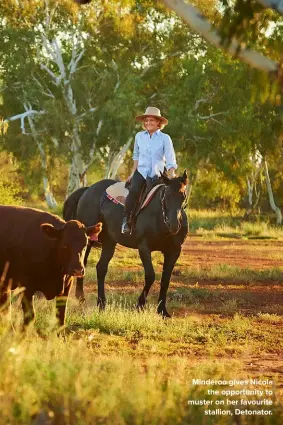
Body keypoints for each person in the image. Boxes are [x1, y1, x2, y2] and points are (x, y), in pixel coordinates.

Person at [121, 106, 177, 235]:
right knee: (134, 192)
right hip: (141, 172)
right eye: (146, 120)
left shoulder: (165, 138)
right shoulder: (139, 136)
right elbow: (136, 156)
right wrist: (132, 173)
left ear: (158, 122)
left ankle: (167, 222)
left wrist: (172, 174)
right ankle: (126, 221)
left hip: (158, 175)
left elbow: (170, 158)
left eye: (151, 120)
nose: (148, 123)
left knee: (166, 197)